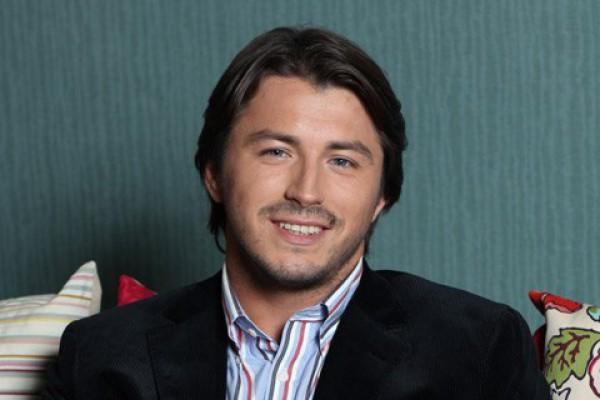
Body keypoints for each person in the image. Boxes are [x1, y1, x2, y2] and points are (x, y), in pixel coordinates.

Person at [43, 26, 549, 399]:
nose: (307, 192)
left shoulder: (479, 347)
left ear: (382, 195)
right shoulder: (99, 354)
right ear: (214, 173)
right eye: (276, 152)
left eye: (342, 161)